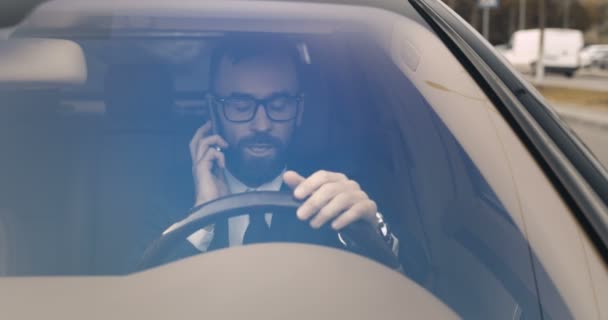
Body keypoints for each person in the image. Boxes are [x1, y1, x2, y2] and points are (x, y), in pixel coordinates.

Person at [162, 36, 399, 260]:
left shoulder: (338, 191)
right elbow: (144, 295)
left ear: (300, 109)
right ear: (213, 110)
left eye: (279, 104)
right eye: (242, 106)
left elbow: (413, 281)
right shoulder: (164, 196)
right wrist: (201, 218)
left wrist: (375, 231)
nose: (262, 125)